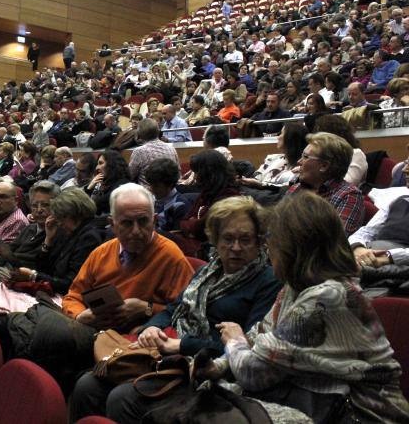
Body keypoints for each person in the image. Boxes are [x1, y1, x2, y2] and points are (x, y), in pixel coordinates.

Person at [200, 193, 409, 423]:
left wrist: (233, 340)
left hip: (362, 414)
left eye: (271, 242)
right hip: (316, 401)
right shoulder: (296, 285)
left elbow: (254, 373)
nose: (268, 251)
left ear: (292, 248)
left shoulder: (327, 297)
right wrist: (218, 365)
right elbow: (261, 332)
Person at [70, 196, 281, 421]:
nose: (236, 248)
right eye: (228, 239)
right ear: (215, 240)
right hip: (166, 352)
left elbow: (250, 347)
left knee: (122, 398)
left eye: (245, 239)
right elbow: (173, 309)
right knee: (86, 386)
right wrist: (152, 328)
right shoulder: (208, 272)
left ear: (259, 242)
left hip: (203, 369)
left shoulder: (268, 281)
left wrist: (181, 344)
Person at [62, 183, 194, 333]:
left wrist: (147, 309)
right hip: (92, 332)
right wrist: (79, 315)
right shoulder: (101, 253)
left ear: (155, 221)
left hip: (138, 342)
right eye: (127, 223)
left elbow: (188, 312)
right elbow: (73, 297)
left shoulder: (171, 257)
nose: (136, 231)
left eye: (143, 221)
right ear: (112, 224)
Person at [286, 132, 364, 237]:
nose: (299, 162)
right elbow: (275, 227)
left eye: (305, 157)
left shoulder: (348, 196)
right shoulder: (296, 188)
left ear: (324, 166)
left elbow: (336, 241)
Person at [350, 155, 409, 268]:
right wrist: (358, 248)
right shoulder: (399, 199)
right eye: (406, 163)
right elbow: (366, 232)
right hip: (369, 259)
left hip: (397, 270)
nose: (404, 169)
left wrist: (388, 257)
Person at [240, 122, 307, 189]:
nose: (278, 137)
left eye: (281, 133)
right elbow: (257, 177)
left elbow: (287, 189)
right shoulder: (272, 158)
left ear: (290, 138)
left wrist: (261, 185)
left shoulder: (302, 167)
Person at [143, 158, 191, 233]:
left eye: (156, 186)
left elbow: (178, 238)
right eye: (150, 184)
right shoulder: (151, 200)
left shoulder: (181, 206)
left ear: (170, 185)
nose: (151, 189)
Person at [127, 119, 178, 187]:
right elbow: (178, 172)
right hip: (170, 190)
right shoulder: (171, 148)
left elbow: (130, 175)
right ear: (158, 131)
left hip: (148, 193)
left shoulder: (139, 151)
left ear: (140, 134)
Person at [85, 149, 131, 216]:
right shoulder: (102, 184)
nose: (97, 168)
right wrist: (89, 187)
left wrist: (89, 189)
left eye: (100, 163)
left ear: (111, 165)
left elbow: (93, 206)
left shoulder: (122, 185)